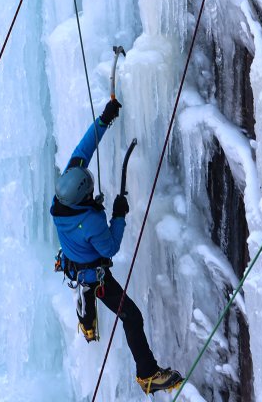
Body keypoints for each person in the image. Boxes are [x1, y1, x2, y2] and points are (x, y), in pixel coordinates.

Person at [51, 99, 183, 395]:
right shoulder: (90, 223)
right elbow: (110, 248)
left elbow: (83, 150)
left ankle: (86, 321)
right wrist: (119, 216)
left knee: (86, 291)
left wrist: (103, 120)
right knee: (131, 316)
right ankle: (148, 375)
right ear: (84, 196)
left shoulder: (62, 195)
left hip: (74, 260)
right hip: (94, 273)